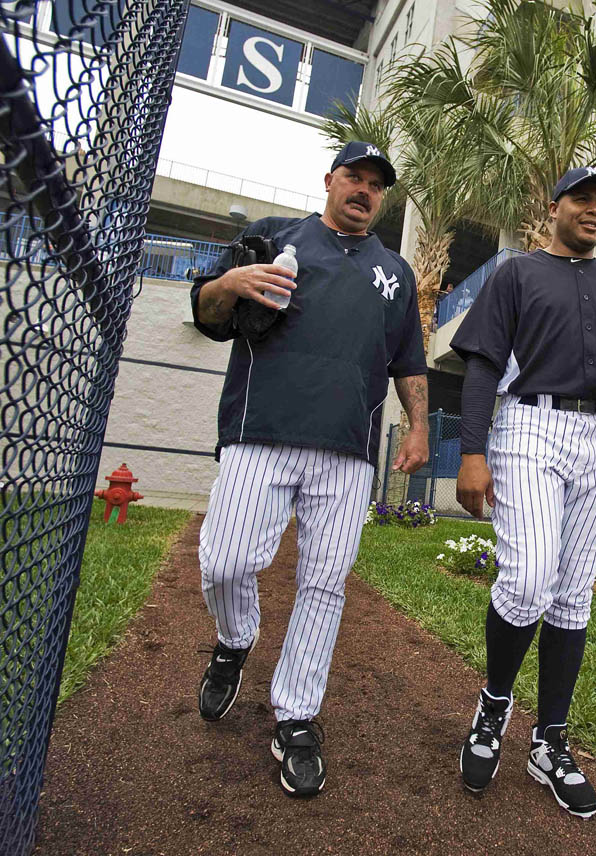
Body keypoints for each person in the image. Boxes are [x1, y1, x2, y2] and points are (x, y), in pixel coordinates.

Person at [189, 141, 429, 797]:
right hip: (259, 432)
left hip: (348, 451)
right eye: (354, 176)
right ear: (330, 180)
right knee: (225, 561)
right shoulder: (271, 236)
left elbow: (408, 360)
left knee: (325, 585)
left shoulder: (395, 275)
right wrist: (228, 284)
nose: (364, 190)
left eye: (377, 184)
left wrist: (421, 425)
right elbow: (207, 312)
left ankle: (296, 716)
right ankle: (236, 638)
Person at [450, 166, 596, 818]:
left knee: (572, 594)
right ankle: (494, 708)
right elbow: (482, 362)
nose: (595, 209)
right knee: (530, 575)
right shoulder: (516, 272)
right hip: (529, 424)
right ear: (556, 206)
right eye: (584, 198)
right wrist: (473, 453)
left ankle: (551, 741)